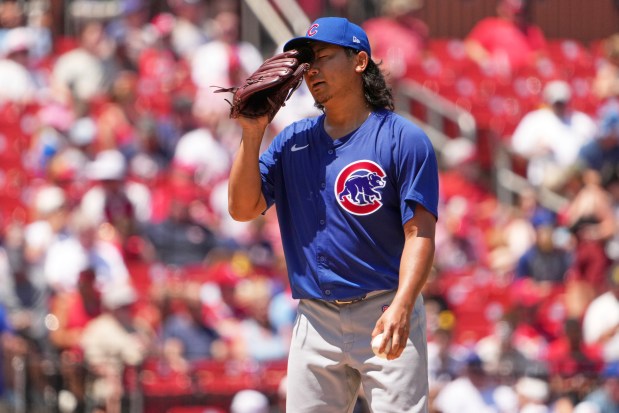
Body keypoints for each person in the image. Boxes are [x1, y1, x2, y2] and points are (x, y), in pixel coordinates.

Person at [226, 17, 439, 413]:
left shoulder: (402, 138)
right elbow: (242, 209)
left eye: (323, 57)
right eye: (307, 63)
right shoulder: (293, 140)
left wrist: (403, 306)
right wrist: (253, 133)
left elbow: (420, 234)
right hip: (314, 317)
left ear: (360, 61)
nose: (312, 71)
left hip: (384, 307)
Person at [464, 0, 547, 76]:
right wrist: (487, 60)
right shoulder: (489, 26)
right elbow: (471, 47)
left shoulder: (532, 31)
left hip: (524, 81)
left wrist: (527, 62)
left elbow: (541, 56)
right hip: (494, 82)